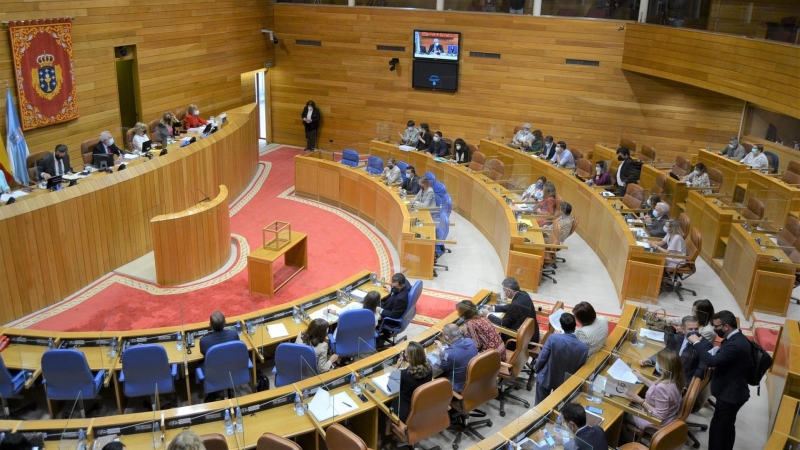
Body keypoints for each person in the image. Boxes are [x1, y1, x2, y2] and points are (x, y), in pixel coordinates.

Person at [687, 310, 751, 450]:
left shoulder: (736, 344)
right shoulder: (735, 337)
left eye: (716, 327)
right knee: (726, 427)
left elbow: (710, 361)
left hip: (730, 395)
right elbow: (717, 354)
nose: (715, 330)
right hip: (731, 390)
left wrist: (696, 343)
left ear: (726, 326)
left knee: (718, 431)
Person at [624, 349, 684, 437]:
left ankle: (625, 439)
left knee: (622, 412)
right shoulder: (675, 378)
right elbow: (655, 386)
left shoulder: (662, 387)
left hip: (654, 423)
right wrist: (641, 377)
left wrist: (640, 401)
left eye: (659, 362)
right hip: (669, 416)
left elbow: (659, 416)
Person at [533, 312, 588, 405]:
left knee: (540, 407)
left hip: (547, 377)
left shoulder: (553, 338)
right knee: (558, 406)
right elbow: (580, 368)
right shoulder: (584, 348)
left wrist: (537, 369)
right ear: (575, 326)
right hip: (565, 383)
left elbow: (542, 358)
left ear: (561, 326)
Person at [641, 315, 704, 381]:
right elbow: (666, 351)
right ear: (683, 329)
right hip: (668, 372)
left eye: (696, 329)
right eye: (690, 329)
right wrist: (650, 360)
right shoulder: (678, 337)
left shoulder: (702, 345)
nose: (694, 332)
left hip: (679, 380)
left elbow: (698, 372)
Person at [484, 277, 540, 343]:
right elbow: (511, 307)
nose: (504, 292)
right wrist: (493, 308)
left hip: (521, 341)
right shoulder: (524, 294)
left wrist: (488, 315)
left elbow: (502, 323)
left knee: (491, 332)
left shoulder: (515, 305)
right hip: (532, 334)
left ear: (509, 292)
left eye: (504, 290)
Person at [394, 341, 433, 422]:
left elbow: (391, 387)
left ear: (408, 358)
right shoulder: (429, 369)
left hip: (406, 412)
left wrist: (396, 369)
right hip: (422, 408)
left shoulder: (404, 375)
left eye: (406, 354)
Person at [435, 324, 478, 393]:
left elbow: (435, 369)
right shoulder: (470, 341)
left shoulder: (449, 354)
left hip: (457, 390)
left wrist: (441, 353)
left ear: (446, 337)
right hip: (474, 384)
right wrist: (443, 350)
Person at [379, 273, 411, 342]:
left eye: (395, 287)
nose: (393, 288)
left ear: (402, 285)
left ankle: (377, 339)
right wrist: (391, 290)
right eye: (392, 285)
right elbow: (396, 292)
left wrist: (380, 310)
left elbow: (394, 315)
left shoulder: (401, 299)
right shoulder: (405, 282)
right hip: (392, 305)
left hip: (391, 319)